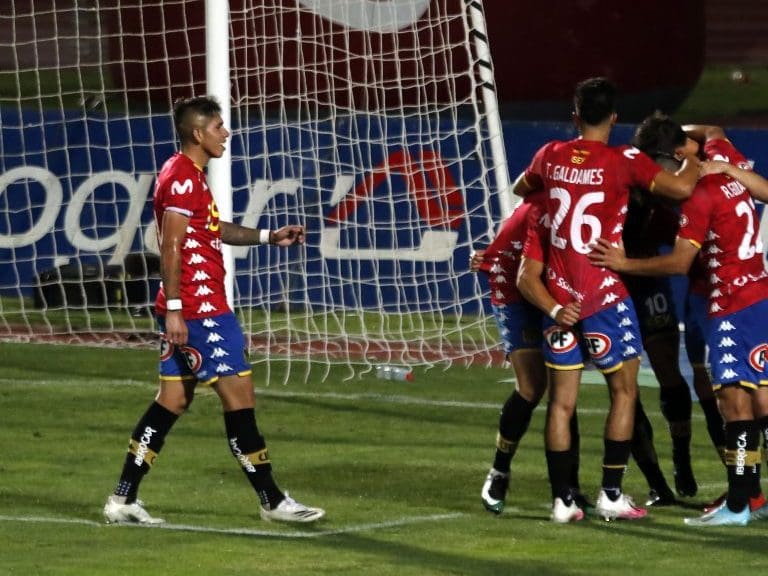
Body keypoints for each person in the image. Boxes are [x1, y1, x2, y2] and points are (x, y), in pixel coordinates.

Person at [103, 96, 325, 525]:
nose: (227, 133)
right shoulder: (182, 178)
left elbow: (212, 229)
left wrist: (268, 236)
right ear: (197, 133)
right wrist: (174, 310)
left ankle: (123, 498)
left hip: (192, 307)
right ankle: (272, 500)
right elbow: (169, 245)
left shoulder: (189, 177)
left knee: (172, 400)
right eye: (219, 126)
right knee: (238, 397)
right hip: (198, 310)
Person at [513, 77, 698, 522]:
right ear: (615, 117)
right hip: (604, 295)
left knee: (562, 403)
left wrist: (562, 195)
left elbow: (523, 188)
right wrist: (691, 159)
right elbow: (681, 190)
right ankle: (610, 494)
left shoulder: (550, 155)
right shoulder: (624, 160)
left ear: (574, 114)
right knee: (625, 391)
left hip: (557, 297)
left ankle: (562, 502)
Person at [589, 118, 768, 526]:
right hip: (760, 294)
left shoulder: (698, 198)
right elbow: (716, 130)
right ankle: (752, 497)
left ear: (677, 156)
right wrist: (672, 130)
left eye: (659, 164)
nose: (657, 176)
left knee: (733, 403)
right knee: (760, 399)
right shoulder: (723, 160)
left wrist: (623, 262)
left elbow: (679, 262)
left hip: (730, 306)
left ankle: (740, 504)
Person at [473, 192, 590, 521]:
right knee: (532, 386)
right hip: (515, 290)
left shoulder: (568, 201)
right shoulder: (542, 207)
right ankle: (499, 472)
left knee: (564, 388)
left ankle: (570, 487)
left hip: (547, 285)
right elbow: (510, 264)